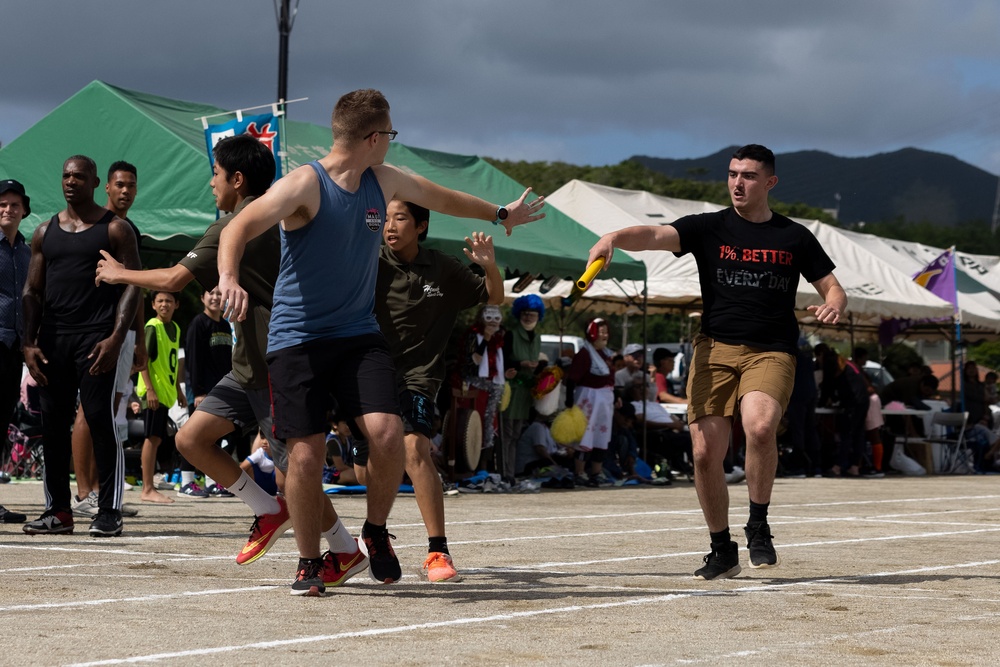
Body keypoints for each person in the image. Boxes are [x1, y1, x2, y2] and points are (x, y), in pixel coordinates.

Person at [216, 88, 544, 595]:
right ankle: (311, 561)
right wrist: (229, 277)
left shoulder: (382, 180)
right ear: (373, 137)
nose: (391, 143)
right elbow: (239, 225)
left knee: (389, 434)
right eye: (389, 134)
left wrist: (500, 214)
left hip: (356, 333)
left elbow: (442, 197)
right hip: (297, 338)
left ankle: (374, 531)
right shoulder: (306, 185)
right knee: (305, 455)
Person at [96, 136, 353, 592]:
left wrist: (119, 273)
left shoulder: (239, 223)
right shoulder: (288, 214)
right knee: (192, 437)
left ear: (237, 180)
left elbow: (174, 278)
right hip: (248, 363)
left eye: (215, 173)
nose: (210, 182)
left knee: (297, 470)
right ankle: (268, 509)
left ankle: (340, 549)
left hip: (278, 363)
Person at [586, 144, 847, 580]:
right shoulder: (708, 228)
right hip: (714, 348)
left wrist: (834, 305)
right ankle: (721, 547)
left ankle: (758, 523)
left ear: (769, 182)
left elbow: (832, 287)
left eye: (747, 176)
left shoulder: (794, 237)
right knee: (706, 452)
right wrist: (613, 238)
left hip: (772, 348)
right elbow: (654, 236)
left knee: (760, 426)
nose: (737, 183)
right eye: (731, 174)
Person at [352, 199, 502, 582]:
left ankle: (438, 550)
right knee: (362, 469)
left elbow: (494, 297)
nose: (390, 225)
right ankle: (374, 530)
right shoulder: (368, 259)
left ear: (421, 225)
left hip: (420, 375)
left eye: (400, 218)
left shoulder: (443, 267)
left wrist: (489, 266)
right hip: (369, 372)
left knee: (415, 447)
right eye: (384, 218)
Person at [21, 155, 142, 537]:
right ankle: (58, 511)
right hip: (53, 341)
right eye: (66, 175)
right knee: (52, 427)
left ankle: (109, 510)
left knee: (100, 420)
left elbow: (133, 285)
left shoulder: (116, 229)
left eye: (79, 176)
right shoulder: (44, 232)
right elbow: (32, 291)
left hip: (96, 339)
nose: (71, 181)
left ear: (94, 183)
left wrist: (117, 338)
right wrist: (28, 343)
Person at [71, 161, 145, 518]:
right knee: (90, 407)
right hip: (98, 329)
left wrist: (139, 337)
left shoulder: (129, 229)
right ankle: (83, 492)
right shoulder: (98, 226)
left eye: (131, 185)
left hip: (125, 329)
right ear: (107, 188)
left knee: (111, 410)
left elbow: (138, 285)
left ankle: (102, 490)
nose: (126, 191)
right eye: (120, 185)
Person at [184, 286, 238, 497]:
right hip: (202, 391)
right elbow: (193, 360)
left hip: (220, 392)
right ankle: (186, 482)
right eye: (211, 293)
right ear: (202, 297)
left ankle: (211, 482)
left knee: (212, 438)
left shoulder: (225, 325)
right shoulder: (198, 323)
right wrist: (198, 391)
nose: (215, 297)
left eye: (219, 293)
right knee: (191, 436)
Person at [135, 290, 187, 502]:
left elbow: (171, 363)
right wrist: (150, 390)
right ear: (154, 305)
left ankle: (149, 486)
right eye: (160, 301)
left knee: (157, 439)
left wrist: (179, 391)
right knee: (152, 438)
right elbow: (142, 360)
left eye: (168, 300)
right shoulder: (152, 326)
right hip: (153, 393)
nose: (164, 304)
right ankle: (147, 488)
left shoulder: (174, 327)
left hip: (166, 393)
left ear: (176, 304)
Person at [0, 179, 31, 524]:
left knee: (2, 423)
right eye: (1, 205)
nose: (7, 210)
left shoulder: (27, 252)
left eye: (14, 204)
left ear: (24, 210)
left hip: (15, 349)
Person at [564, 318, 616, 486]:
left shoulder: (605, 354)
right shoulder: (584, 354)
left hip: (604, 400)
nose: (604, 336)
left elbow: (609, 378)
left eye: (605, 332)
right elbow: (572, 379)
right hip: (588, 399)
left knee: (601, 436)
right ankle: (580, 472)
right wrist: (570, 401)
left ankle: (596, 472)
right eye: (601, 332)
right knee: (585, 436)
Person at [501, 294, 546, 482]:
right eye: (525, 313)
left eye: (532, 314)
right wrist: (521, 364)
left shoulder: (537, 337)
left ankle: (512, 472)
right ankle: (505, 472)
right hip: (511, 390)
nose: (528, 317)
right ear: (519, 314)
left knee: (516, 434)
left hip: (526, 392)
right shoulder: (510, 334)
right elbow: (503, 361)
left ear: (538, 316)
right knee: (506, 434)